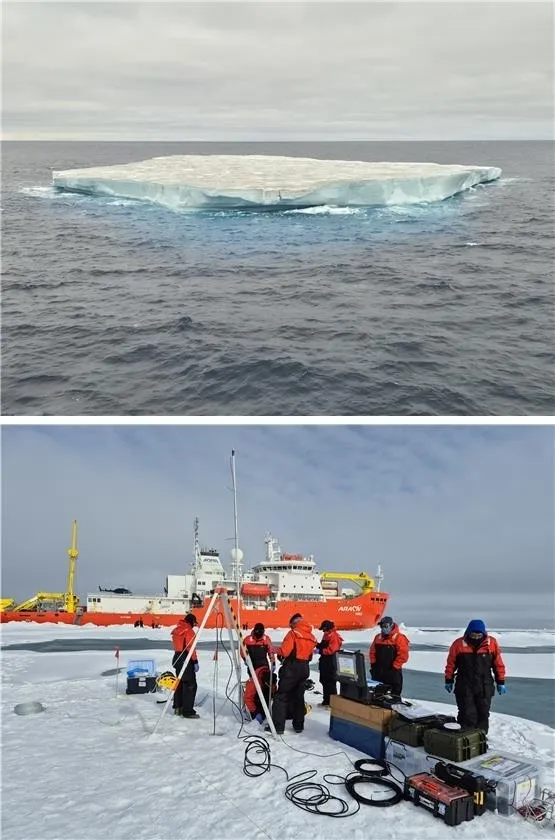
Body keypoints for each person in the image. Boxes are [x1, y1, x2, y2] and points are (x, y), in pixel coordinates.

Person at [444, 619, 506, 733]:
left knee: (483, 713)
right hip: (465, 684)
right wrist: (449, 679)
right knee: (467, 713)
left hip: (484, 685)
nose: (476, 637)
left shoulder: (491, 644)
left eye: (479, 635)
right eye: (473, 634)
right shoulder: (458, 644)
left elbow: (498, 663)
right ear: (468, 632)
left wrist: (500, 682)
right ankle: (465, 738)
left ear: (483, 633)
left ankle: (480, 739)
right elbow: (451, 664)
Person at [267, 613, 316, 735]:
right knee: (298, 697)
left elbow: (285, 651)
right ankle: (298, 726)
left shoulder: (293, 634)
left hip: (291, 669)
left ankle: (278, 727)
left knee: (281, 697)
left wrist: (273, 649)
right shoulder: (311, 637)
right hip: (304, 668)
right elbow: (310, 656)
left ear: (294, 623)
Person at [369, 616, 409, 696]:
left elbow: (403, 655)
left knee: (394, 695)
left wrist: (395, 667)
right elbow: (372, 652)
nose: (384, 628)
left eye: (386, 626)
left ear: (391, 625)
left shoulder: (399, 638)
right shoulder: (378, 638)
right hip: (378, 671)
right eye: (382, 626)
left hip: (393, 672)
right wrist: (373, 664)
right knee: (377, 694)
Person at [171, 613, 200, 719]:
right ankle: (187, 711)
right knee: (190, 685)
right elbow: (191, 648)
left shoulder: (177, 630)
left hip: (177, 657)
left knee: (179, 683)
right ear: (191, 622)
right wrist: (195, 661)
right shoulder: (189, 631)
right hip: (186, 659)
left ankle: (178, 707)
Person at [316, 620, 343, 707]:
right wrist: (317, 645)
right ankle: (326, 701)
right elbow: (323, 645)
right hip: (324, 661)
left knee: (330, 682)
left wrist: (320, 651)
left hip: (331, 661)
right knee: (324, 680)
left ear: (327, 628)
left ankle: (332, 703)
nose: (323, 632)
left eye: (324, 630)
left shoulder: (334, 636)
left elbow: (331, 650)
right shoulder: (326, 635)